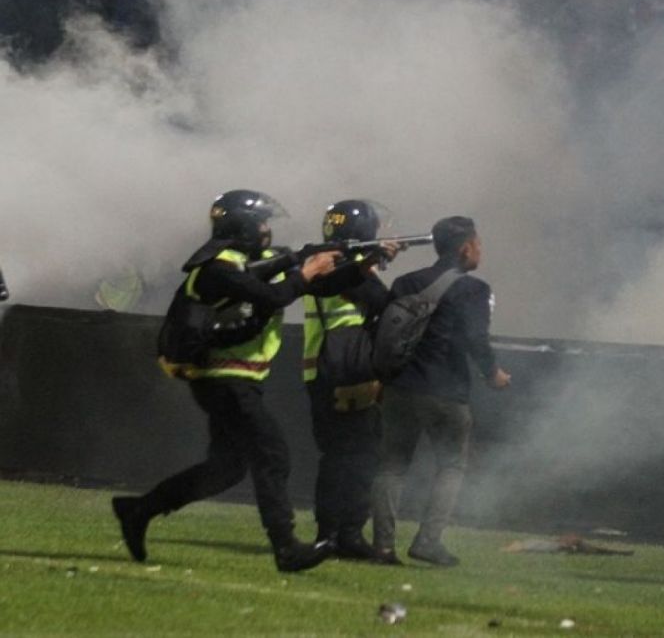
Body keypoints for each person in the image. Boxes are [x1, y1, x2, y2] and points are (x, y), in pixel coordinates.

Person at [112, 190, 341, 573]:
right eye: (263, 223)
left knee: (227, 468)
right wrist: (305, 271)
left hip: (231, 379)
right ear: (245, 228)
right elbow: (273, 294)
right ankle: (286, 547)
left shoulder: (238, 264)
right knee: (272, 455)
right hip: (225, 378)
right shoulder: (219, 268)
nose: (268, 231)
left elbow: (293, 282)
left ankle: (139, 509)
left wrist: (357, 261)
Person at [371, 216, 510, 567]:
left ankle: (383, 547)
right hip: (446, 391)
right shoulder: (474, 289)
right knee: (451, 466)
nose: (480, 251)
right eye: (479, 244)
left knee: (392, 466)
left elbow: (383, 331)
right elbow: (476, 338)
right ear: (466, 247)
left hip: (400, 387)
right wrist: (492, 373)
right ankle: (428, 541)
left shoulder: (406, 282)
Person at [301, 200, 400, 562]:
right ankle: (341, 534)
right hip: (344, 374)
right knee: (354, 457)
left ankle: (337, 533)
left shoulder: (331, 262)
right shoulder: (341, 266)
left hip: (327, 372)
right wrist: (374, 260)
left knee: (345, 457)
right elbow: (385, 302)